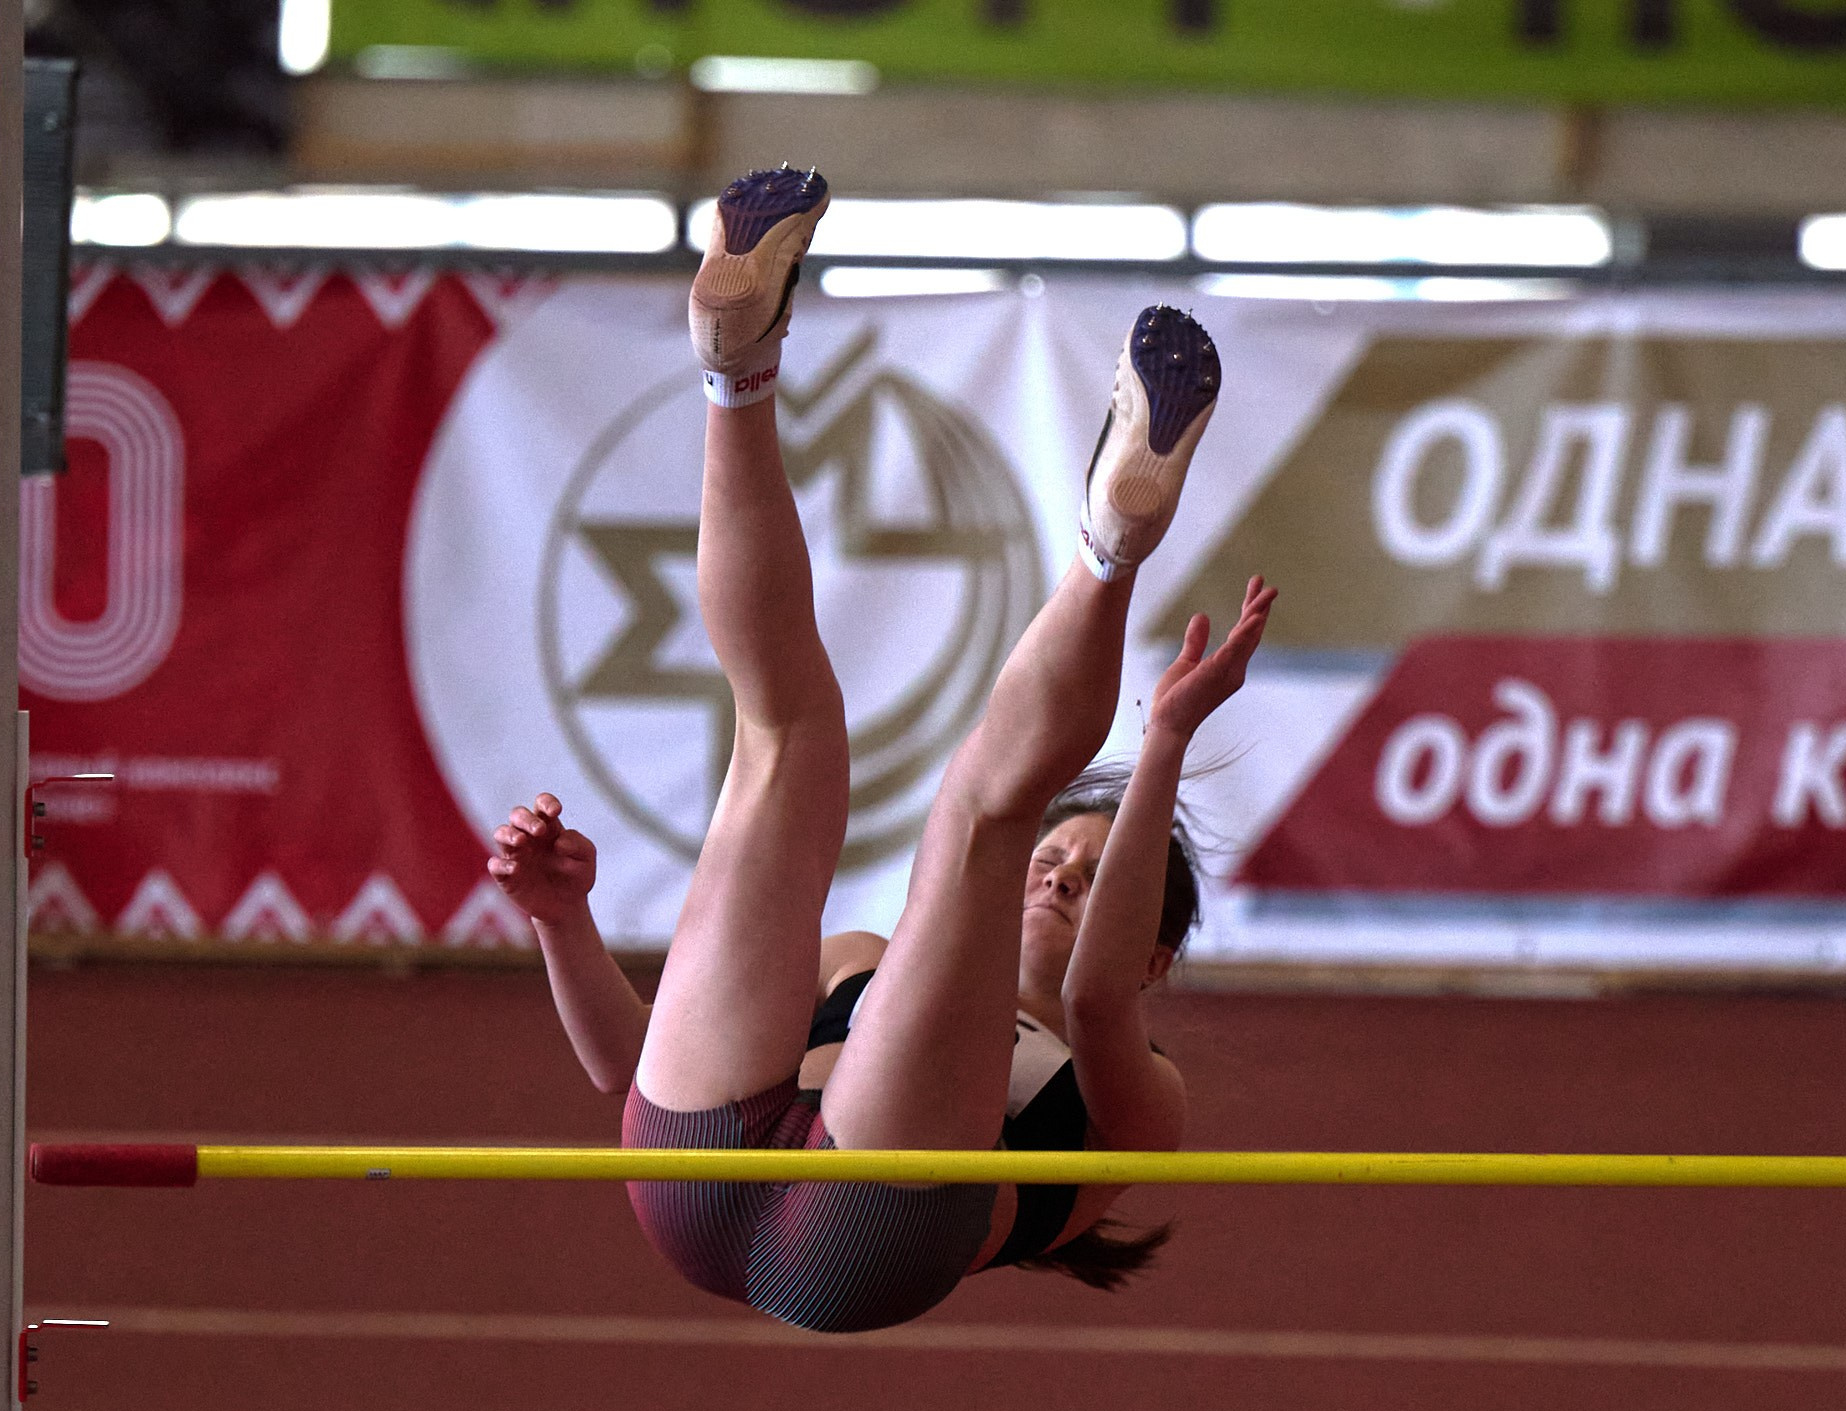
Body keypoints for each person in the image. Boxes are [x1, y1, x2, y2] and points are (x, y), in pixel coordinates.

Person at [486, 165, 1275, 1333]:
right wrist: (563, 926)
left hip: (866, 1237)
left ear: (1158, 957)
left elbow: (1097, 988)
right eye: (1067, 858)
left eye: (1094, 879)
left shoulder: (1131, 1096)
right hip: (701, 1163)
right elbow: (633, 1063)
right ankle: (736, 369)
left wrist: (1158, 744)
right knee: (785, 732)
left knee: (980, 820)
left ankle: (1111, 551)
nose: (1061, 879)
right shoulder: (857, 953)